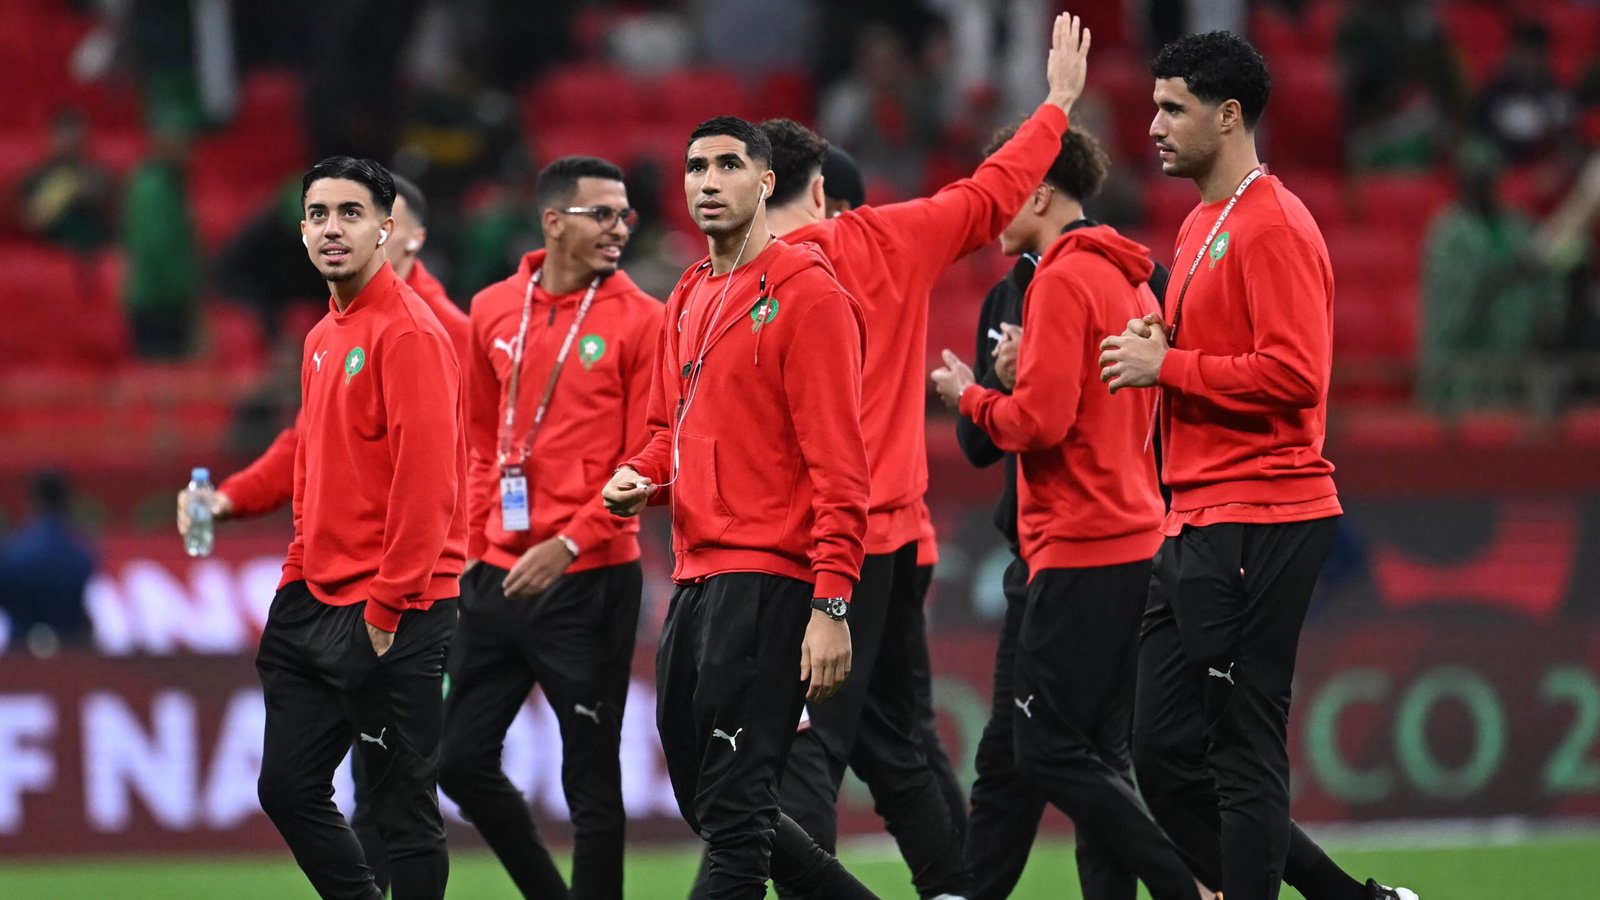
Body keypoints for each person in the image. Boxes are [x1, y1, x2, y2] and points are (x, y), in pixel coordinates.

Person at [739, 14, 1089, 899]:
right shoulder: (885, 241)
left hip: (812, 546)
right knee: (890, 744)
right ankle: (957, 887)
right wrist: (1054, 106)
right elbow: (991, 192)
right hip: (895, 535)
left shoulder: (734, 285)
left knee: (806, 748)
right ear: (820, 190)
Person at [1097, 32, 1415, 900]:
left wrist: (1168, 368)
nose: (1153, 125)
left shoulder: (1273, 224)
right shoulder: (1203, 222)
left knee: (1240, 748)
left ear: (1228, 115)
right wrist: (1165, 343)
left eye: (1173, 109)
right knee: (1161, 754)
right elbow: (1219, 354)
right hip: (1197, 515)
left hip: (1263, 513)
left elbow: (1294, 376)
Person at [601, 116, 875, 900]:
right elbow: (667, 433)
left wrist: (831, 602)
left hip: (770, 582)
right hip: (695, 578)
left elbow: (840, 469)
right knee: (708, 798)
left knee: (735, 819)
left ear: (765, 184)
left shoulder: (810, 296)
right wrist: (638, 476)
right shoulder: (687, 294)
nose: (708, 180)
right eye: (696, 167)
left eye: (728, 165)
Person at [932, 126, 1203, 900]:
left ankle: (1185, 881)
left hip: (1079, 544)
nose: (992, 211)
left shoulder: (1057, 280)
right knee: (1091, 752)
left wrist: (971, 395)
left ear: (1042, 193)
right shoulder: (1132, 278)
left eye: (1006, 186)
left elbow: (1035, 427)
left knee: (1044, 751)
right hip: (1134, 536)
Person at [178, 171, 465, 898]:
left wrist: (386, 608)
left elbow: (428, 488)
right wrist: (287, 563)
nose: (332, 227)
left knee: (401, 811)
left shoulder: (410, 334)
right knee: (287, 788)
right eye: (317, 215)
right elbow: (307, 462)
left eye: (349, 213)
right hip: (315, 597)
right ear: (302, 232)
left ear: (383, 229)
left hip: (393, 608)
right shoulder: (320, 336)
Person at [437, 155, 661, 900]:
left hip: (590, 578)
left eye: (625, 214)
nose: (620, 228)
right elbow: (475, 438)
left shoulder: (642, 321)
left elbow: (646, 459)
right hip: (497, 571)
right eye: (603, 213)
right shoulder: (494, 309)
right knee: (458, 760)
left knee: (590, 777)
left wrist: (569, 543)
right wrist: (478, 542)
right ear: (554, 221)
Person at [0, 470, 95, 656]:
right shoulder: (82, 554)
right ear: (67, 502)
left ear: (32, 501)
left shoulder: (12, 553)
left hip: (20, 654)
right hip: (70, 653)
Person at [16, 108, 115, 253]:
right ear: (51, 138)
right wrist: (56, 195)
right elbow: (28, 221)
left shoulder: (97, 173)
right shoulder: (35, 176)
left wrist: (79, 188)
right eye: (63, 135)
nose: (70, 142)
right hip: (50, 254)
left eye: (74, 134)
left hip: (95, 248)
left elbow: (112, 207)